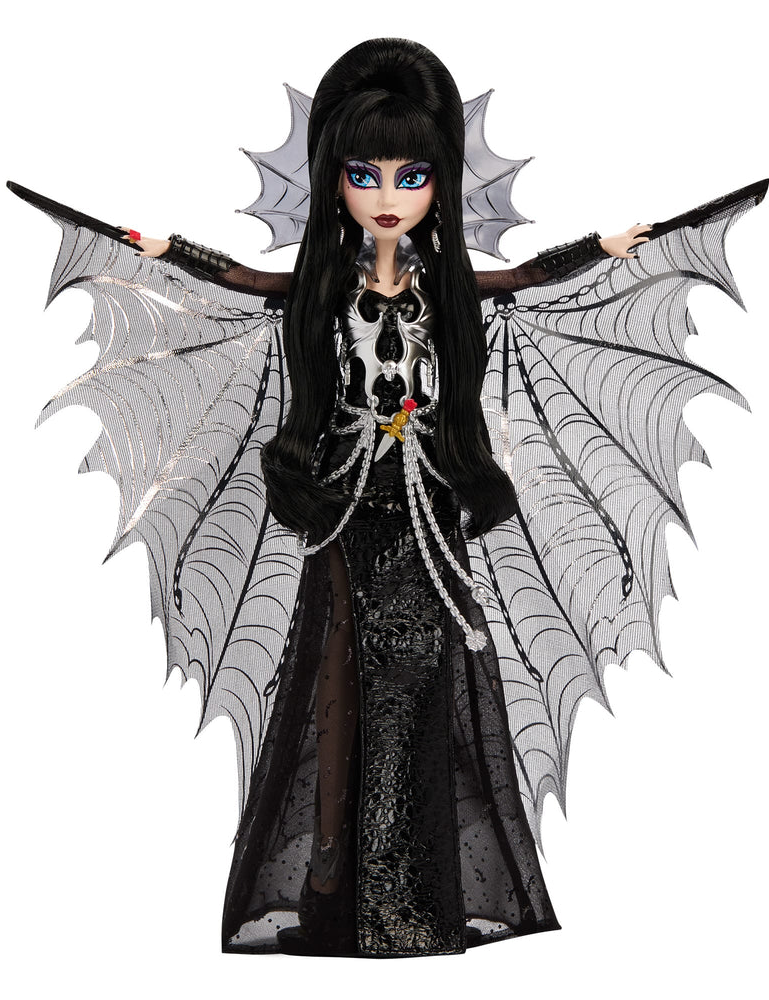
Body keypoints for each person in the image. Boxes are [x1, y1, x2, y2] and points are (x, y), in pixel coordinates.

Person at [127, 37, 650, 957]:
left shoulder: (441, 286)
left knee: (420, 686)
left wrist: (599, 249)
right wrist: (168, 249)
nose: (386, 196)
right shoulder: (326, 288)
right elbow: (250, 280)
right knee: (336, 684)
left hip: (427, 510)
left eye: (412, 176)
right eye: (364, 174)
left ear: (440, 184)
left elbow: (522, 278)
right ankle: (335, 890)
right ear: (334, 180)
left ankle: (413, 892)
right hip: (343, 505)